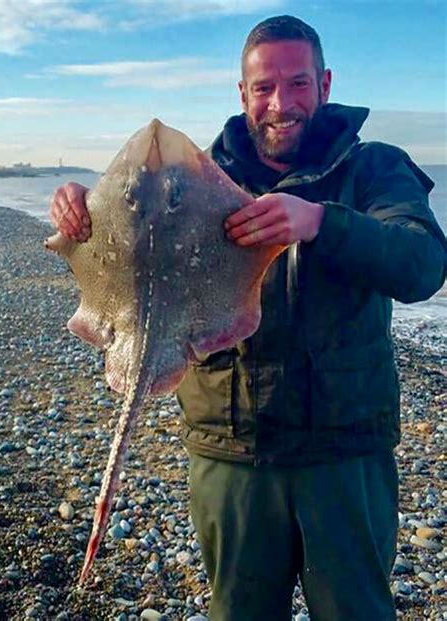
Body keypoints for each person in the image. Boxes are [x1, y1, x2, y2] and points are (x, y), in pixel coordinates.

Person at [50, 15, 446, 621]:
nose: (280, 103)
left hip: (344, 455)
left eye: (298, 84)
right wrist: (84, 218)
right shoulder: (197, 176)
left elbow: (422, 265)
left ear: (325, 83)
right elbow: (138, 242)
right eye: (264, 88)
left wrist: (321, 222)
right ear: (243, 94)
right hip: (229, 451)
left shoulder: (374, 170)